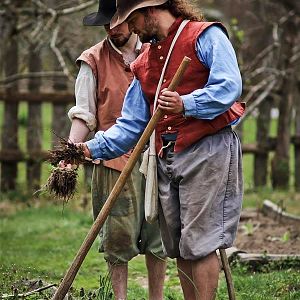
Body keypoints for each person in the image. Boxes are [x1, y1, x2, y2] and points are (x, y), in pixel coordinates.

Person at [79, 0, 245, 299]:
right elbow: (130, 125)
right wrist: (89, 149)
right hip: (168, 155)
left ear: (151, 11)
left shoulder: (204, 36)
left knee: (201, 242)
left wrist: (188, 103)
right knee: (179, 244)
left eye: (133, 20)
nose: (129, 29)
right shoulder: (144, 62)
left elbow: (228, 85)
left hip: (207, 150)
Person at [66, 0, 167, 299]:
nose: (113, 28)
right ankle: (119, 297)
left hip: (155, 158)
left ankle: (156, 297)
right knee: (116, 240)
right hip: (112, 162)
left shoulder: (157, 52)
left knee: (157, 238)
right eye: (107, 23)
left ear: (132, 19)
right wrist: (72, 153)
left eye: (119, 21)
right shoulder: (92, 60)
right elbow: (84, 115)